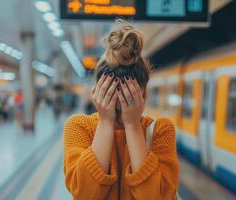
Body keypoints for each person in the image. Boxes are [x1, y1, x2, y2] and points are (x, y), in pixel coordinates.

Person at [63, 19, 179, 200]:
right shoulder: (79, 126)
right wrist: (106, 122)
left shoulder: (161, 130)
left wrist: (131, 125)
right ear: (145, 93)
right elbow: (84, 195)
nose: (120, 101)